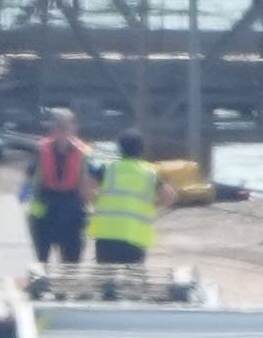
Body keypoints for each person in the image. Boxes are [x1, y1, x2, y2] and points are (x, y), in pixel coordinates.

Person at [22, 109, 94, 265]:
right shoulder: (41, 150)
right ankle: (40, 286)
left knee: (71, 262)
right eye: (58, 126)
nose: (62, 130)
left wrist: (88, 208)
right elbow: (29, 179)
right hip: (45, 208)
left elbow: (86, 183)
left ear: (74, 128)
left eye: (65, 126)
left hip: (71, 208)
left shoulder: (83, 153)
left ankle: (66, 288)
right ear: (52, 128)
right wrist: (23, 199)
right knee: (41, 261)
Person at [88, 131, 165, 267]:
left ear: (119, 148)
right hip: (135, 237)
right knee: (131, 284)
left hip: (106, 236)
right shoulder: (149, 173)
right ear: (141, 149)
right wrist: (150, 207)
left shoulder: (107, 168)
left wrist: (98, 202)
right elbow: (170, 196)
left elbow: (85, 188)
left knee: (106, 281)